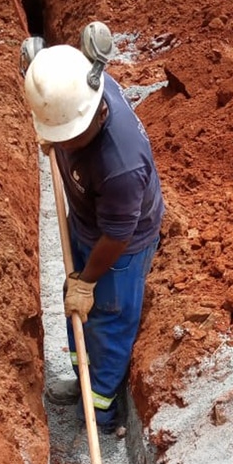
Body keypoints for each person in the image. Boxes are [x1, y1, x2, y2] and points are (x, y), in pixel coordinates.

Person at [22, 40, 164, 434]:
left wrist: (87, 282)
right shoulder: (79, 88)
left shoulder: (120, 165)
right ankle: (82, 380)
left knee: (108, 319)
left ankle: (101, 410)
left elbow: (117, 235)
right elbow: (54, 79)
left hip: (120, 245)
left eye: (68, 136)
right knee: (76, 311)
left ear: (94, 118)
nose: (62, 144)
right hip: (87, 219)